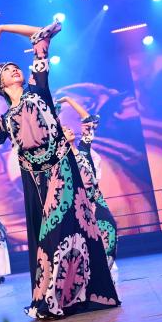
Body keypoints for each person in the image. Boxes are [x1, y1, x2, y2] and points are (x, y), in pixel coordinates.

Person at [0, 19, 119, 319]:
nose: (15, 70)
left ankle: (66, 297)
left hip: (62, 171)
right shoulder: (5, 121)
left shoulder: (38, 91)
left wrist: (3, 28)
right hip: (36, 182)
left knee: (65, 231)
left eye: (16, 67)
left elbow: (41, 35)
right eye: (8, 70)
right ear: (0, 84)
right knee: (52, 238)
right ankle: (62, 298)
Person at [58, 96, 119, 272]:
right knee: (86, 244)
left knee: (110, 230)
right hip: (79, 207)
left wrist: (69, 100)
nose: (69, 129)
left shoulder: (84, 151)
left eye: (68, 127)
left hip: (97, 201)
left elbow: (89, 121)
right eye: (64, 130)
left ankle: (105, 273)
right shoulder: (62, 161)